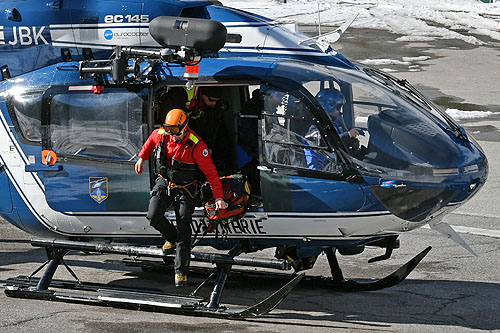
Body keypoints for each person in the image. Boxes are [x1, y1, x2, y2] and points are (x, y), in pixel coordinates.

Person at [135, 109, 228, 287]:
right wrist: (141, 158)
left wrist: (219, 197)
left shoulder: (196, 145)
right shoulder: (162, 134)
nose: (172, 136)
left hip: (185, 188)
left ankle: (180, 272)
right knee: (153, 216)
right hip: (164, 182)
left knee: (184, 224)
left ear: (184, 128)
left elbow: (211, 174)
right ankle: (172, 238)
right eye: (169, 131)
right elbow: (149, 142)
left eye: (175, 133)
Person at [186, 86, 229, 171]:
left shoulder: (215, 111)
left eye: (217, 101)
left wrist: (209, 147)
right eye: (211, 100)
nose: (214, 103)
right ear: (204, 95)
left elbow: (213, 129)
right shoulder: (191, 99)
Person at [315, 88, 364, 154]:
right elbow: (324, 142)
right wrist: (347, 135)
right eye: (338, 108)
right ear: (327, 106)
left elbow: (341, 135)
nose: (339, 111)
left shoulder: (335, 121)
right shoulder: (315, 124)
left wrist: (351, 138)